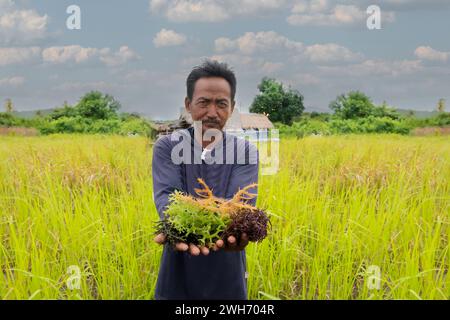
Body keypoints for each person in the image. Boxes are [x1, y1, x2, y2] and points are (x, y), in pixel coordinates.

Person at [152, 60, 259, 300]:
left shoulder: (245, 151)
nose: (212, 112)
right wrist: (187, 223)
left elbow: (241, 205)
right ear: (189, 105)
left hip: (227, 271)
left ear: (231, 108)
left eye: (221, 104)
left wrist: (206, 218)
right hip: (177, 272)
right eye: (203, 102)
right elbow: (167, 198)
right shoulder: (167, 147)